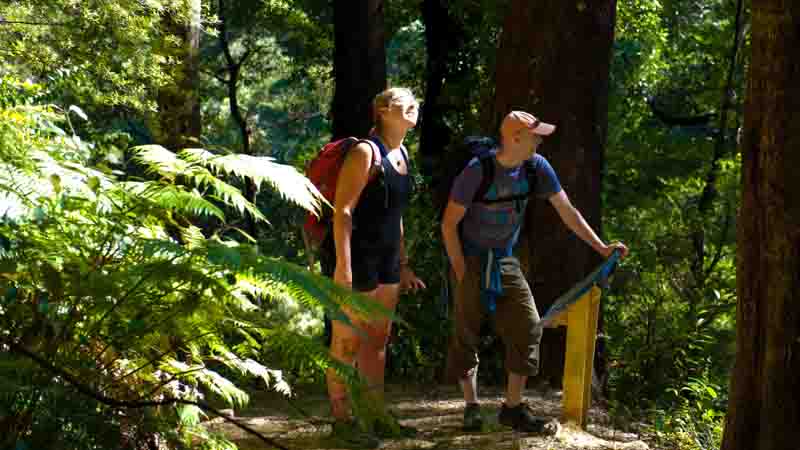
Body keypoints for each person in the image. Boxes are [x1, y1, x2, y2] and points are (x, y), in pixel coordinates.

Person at [440, 111, 629, 433]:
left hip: (505, 259)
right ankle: (471, 406)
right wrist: (460, 271)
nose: (540, 141)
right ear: (515, 137)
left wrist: (601, 248)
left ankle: (512, 408)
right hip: (470, 258)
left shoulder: (536, 168)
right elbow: (448, 224)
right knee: (466, 333)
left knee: (528, 327)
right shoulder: (477, 171)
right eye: (535, 135)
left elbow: (567, 211)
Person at [323, 87, 426, 448]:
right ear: (383, 110)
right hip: (357, 258)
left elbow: (396, 217)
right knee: (347, 341)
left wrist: (404, 263)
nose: (414, 107)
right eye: (405, 103)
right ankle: (342, 421)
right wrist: (344, 267)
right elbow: (343, 212)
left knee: (378, 340)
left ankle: (374, 416)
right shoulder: (366, 152)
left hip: (387, 262)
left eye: (416, 102)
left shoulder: (403, 154)